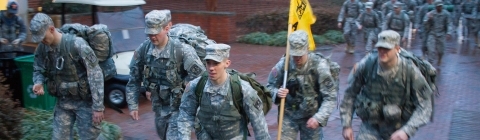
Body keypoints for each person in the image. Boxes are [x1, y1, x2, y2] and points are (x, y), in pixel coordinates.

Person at [125, 9, 206, 139]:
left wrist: (185, 86)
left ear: (167, 27)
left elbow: (201, 76)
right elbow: (134, 79)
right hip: (159, 108)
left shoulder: (182, 50)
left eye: (156, 32)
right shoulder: (144, 49)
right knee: (162, 135)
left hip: (180, 108)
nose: (152, 36)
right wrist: (133, 105)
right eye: (149, 33)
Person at [340, 30, 433, 140]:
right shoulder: (367, 65)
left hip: (398, 129)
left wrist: (407, 130)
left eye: (387, 48)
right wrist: (346, 125)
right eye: (380, 48)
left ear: (397, 49)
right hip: (370, 127)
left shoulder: (409, 70)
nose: (382, 51)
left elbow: (425, 105)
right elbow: (350, 95)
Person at [30, 13, 104, 140]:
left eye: (43, 37)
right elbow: (38, 68)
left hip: (84, 103)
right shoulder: (43, 48)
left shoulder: (77, 44)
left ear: (51, 29)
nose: (41, 41)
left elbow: (95, 74)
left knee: (91, 138)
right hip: (63, 103)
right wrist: (38, 82)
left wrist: (98, 107)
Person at [177, 44, 270, 140]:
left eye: (216, 63)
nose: (211, 68)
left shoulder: (243, 90)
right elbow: (185, 116)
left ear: (227, 63)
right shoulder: (196, 86)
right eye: (208, 63)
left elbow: (259, 125)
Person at [266, 30, 337, 139]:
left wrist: (319, 117)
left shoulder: (319, 65)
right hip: (288, 115)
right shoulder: (284, 64)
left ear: (307, 49)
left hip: (311, 116)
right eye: (294, 54)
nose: (297, 58)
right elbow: (269, 87)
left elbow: (330, 96)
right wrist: (277, 93)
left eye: (300, 54)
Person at [423, 0, 453, 65]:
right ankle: (430, 64)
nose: (440, 7)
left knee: (441, 51)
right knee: (431, 49)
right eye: (438, 6)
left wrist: (449, 33)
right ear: (435, 7)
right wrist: (429, 19)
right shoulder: (431, 13)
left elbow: (449, 23)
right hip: (432, 33)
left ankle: (440, 58)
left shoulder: (446, 14)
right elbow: (425, 23)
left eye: (441, 6)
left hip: (441, 34)